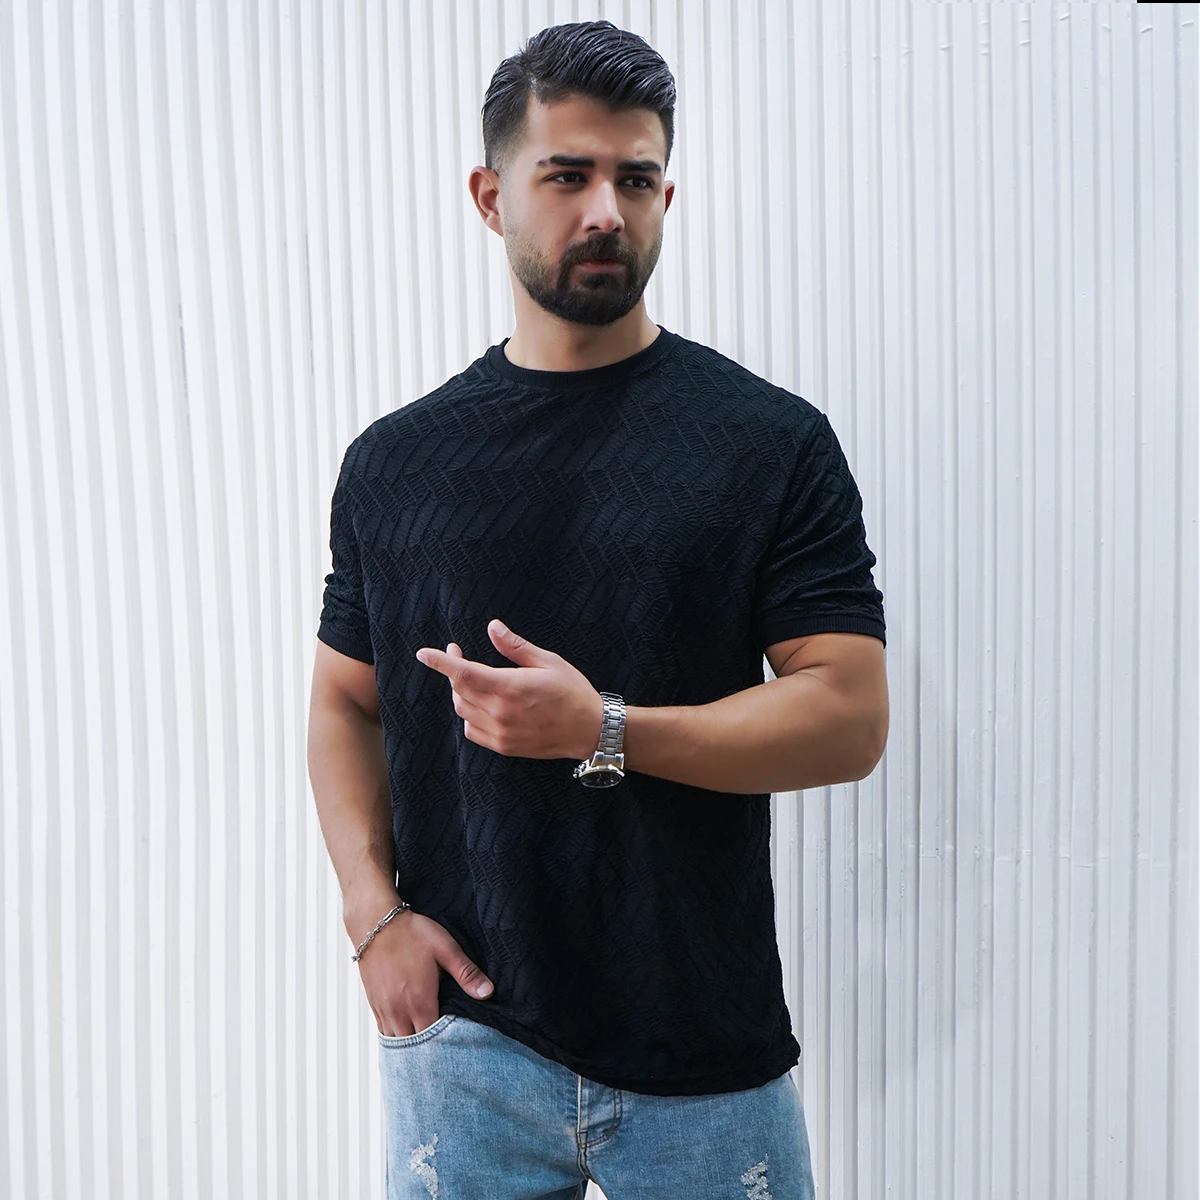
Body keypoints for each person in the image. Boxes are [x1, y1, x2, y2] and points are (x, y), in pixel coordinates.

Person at [307, 19, 887, 1200]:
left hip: (704, 1047)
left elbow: (848, 717)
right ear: (491, 197)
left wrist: (605, 729)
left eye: (635, 179)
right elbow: (342, 700)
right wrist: (374, 919)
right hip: (465, 1044)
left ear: (666, 194)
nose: (605, 211)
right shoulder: (395, 464)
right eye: (566, 175)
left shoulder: (768, 443)